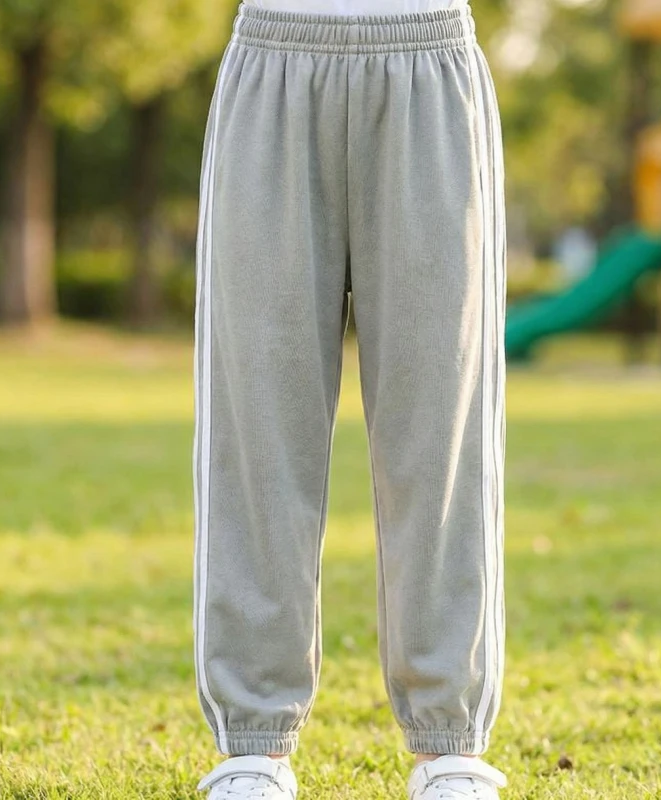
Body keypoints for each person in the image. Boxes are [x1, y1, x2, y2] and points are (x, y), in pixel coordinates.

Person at [192, 0, 507, 797]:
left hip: (430, 66)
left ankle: (449, 741)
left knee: (442, 427)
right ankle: (253, 743)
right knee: (258, 423)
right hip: (272, 62)